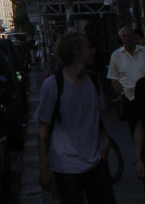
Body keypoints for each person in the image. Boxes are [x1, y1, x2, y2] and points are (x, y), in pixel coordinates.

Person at [37, 29, 116, 204]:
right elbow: (43, 130)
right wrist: (44, 169)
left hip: (95, 161)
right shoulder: (53, 86)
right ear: (76, 51)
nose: (93, 51)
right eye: (89, 47)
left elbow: (96, 118)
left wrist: (106, 139)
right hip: (66, 166)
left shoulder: (94, 83)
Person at [107, 24, 145, 179]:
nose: (128, 39)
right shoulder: (117, 56)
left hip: (144, 96)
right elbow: (114, 78)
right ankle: (139, 156)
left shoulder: (143, 52)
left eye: (129, 36)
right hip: (130, 97)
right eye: (124, 36)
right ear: (121, 38)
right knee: (135, 128)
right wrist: (122, 92)